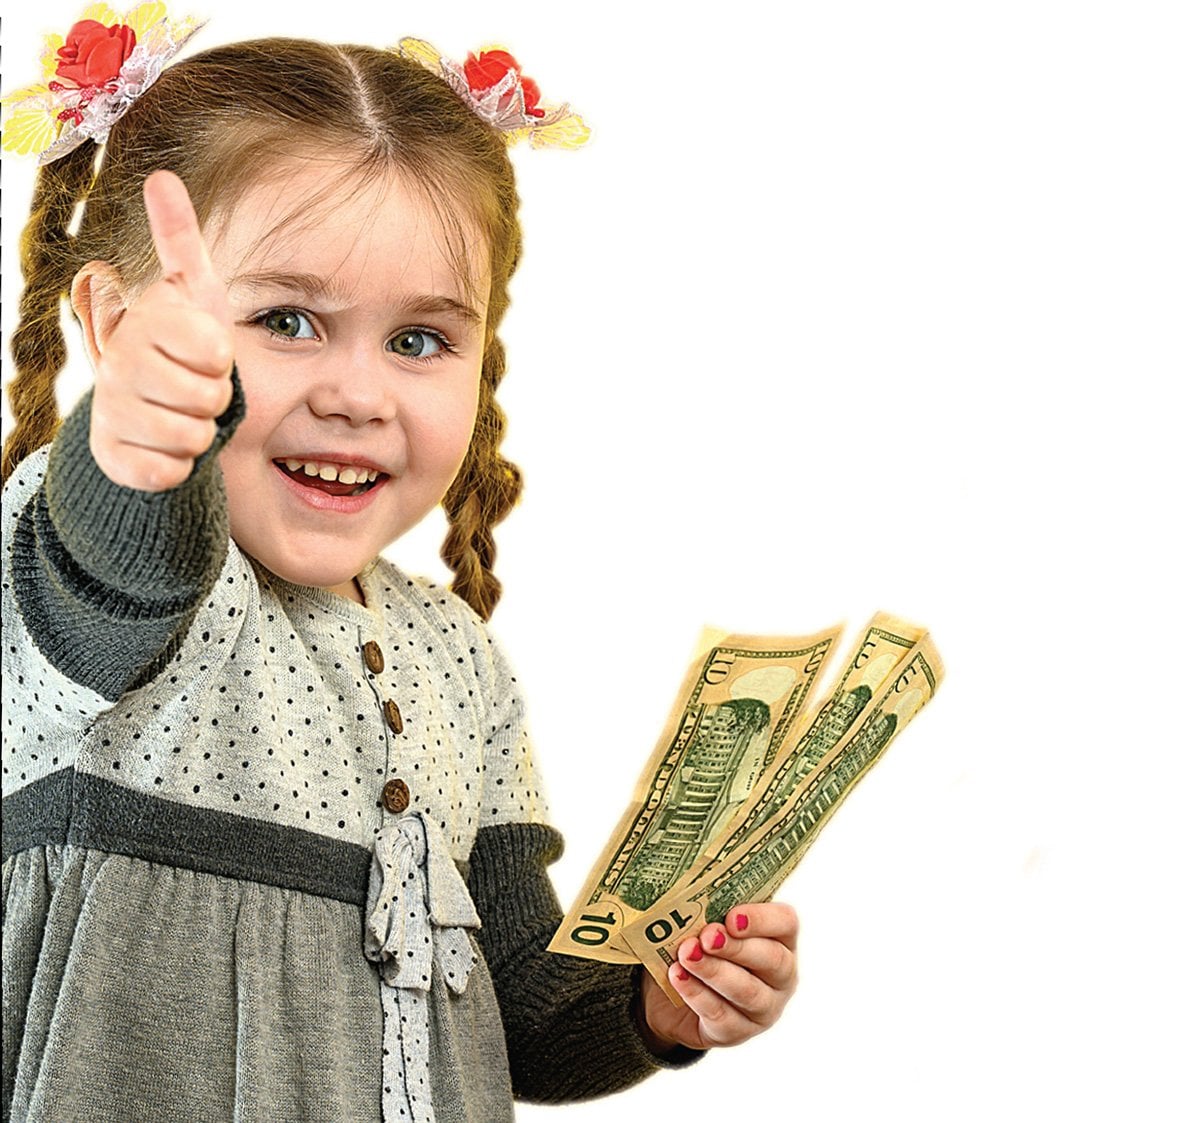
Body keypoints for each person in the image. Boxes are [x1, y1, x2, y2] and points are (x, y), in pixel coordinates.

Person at [1, 17, 799, 1122]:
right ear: (115, 323)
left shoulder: (459, 659)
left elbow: (514, 1007)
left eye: (419, 340)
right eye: (286, 320)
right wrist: (136, 435)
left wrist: (653, 1006)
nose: (358, 396)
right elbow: (121, 559)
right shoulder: (108, 562)